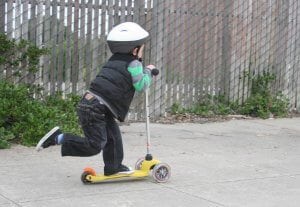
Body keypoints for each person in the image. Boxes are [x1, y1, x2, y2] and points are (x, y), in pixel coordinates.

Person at [36, 22, 156, 176]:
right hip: (97, 107)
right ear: (134, 50)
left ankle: (114, 167)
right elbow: (141, 85)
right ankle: (59, 138)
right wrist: (149, 71)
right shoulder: (134, 64)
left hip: (92, 103)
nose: (142, 53)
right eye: (142, 49)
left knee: (113, 137)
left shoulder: (114, 61)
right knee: (95, 145)